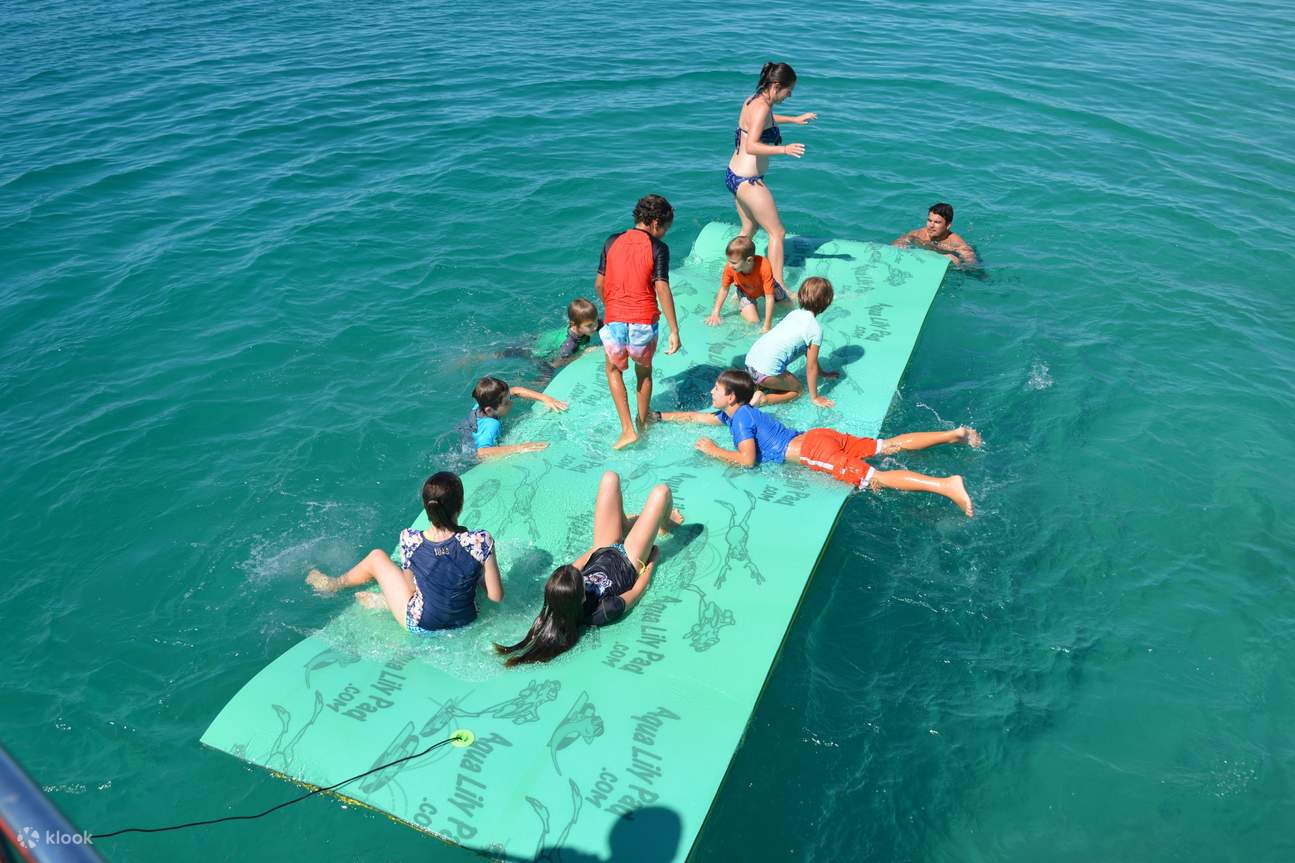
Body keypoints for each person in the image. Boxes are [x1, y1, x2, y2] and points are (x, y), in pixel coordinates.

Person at [658, 370, 980, 517]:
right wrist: (659, 417)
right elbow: (699, 419)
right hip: (819, 436)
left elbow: (747, 460)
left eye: (716, 389)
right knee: (887, 445)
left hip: (814, 452)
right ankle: (955, 434)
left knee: (875, 478)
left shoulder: (740, 420)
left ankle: (947, 485)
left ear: (730, 396)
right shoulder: (741, 412)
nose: (712, 393)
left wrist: (713, 451)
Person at [495, 471, 683, 665]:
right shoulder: (603, 610)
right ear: (582, 596)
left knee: (610, 478)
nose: (580, 573)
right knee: (662, 492)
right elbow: (637, 590)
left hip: (602, 550)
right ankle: (665, 525)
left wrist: (600, 547)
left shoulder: (560, 589)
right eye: (581, 579)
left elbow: (586, 559)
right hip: (630, 560)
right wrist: (653, 560)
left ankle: (626, 526)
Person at [306, 472, 504, 633]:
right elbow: (496, 597)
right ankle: (384, 601)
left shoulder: (409, 539)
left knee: (377, 557)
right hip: (466, 623)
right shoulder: (480, 540)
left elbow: (411, 590)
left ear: (427, 507)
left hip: (421, 627)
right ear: (460, 505)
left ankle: (333, 585)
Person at [595, 194, 682, 450]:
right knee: (643, 372)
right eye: (665, 228)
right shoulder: (658, 248)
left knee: (613, 370)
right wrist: (674, 329)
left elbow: (600, 284)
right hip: (644, 320)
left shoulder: (612, 242)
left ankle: (627, 430)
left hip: (615, 319)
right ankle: (643, 423)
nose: (665, 233)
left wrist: (612, 307)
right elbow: (662, 288)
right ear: (655, 223)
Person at [726, 62, 817, 291]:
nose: (790, 95)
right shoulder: (762, 108)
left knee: (748, 230)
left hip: (734, 176)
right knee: (777, 232)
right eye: (789, 90)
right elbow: (752, 146)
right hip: (749, 181)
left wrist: (794, 119)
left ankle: (737, 280)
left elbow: (766, 120)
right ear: (776, 85)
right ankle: (777, 287)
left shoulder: (754, 99)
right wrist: (784, 149)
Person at [743, 276, 838, 407]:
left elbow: (809, 356)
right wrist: (815, 397)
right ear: (826, 303)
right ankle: (764, 399)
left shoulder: (793, 314)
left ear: (800, 295)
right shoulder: (815, 330)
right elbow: (811, 366)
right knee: (798, 390)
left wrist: (822, 373)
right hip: (766, 371)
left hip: (750, 363)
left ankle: (759, 386)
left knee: (771, 371)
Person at [462, 375, 567, 460]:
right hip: (471, 453)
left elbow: (516, 390)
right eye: (506, 402)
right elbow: (482, 452)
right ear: (489, 410)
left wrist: (546, 398)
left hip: (468, 430)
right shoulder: (492, 425)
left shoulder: (481, 404)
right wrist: (521, 448)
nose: (511, 402)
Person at [704, 235, 791, 332]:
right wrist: (715, 313)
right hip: (745, 290)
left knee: (788, 305)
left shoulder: (764, 266)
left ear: (749, 260)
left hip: (764, 287)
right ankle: (738, 294)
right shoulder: (730, 268)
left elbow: (769, 297)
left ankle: (790, 293)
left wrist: (767, 325)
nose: (729, 265)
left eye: (734, 262)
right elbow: (724, 289)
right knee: (754, 322)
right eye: (729, 261)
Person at [893, 202, 978, 266]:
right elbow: (901, 240)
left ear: (948, 225)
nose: (931, 225)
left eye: (937, 222)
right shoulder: (919, 234)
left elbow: (972, 265)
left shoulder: (956, 243)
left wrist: (957, 265)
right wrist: (900, 244)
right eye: (929, 220)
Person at [552, 298, 602, 368]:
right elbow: (556, 364)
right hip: (541, 350)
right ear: (574, 324)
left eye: (596, 321)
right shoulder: (570, 343)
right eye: (589, 325)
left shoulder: (591, 322)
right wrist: (583, 353)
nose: (595, 327)